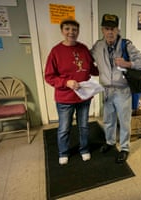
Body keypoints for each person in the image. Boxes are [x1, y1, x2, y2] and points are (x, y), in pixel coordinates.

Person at [90, 14, 141, 163]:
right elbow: (87, 60)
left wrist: (128, 64)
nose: (110, 32)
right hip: (106, 90)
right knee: (108, 120)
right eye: (107, 28)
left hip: (123, 91)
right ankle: (110, 142)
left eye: (113, 29)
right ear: (102, 30)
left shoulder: (126, 45)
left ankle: (124, 148)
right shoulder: (98, 46)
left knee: (124, 121)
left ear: (118, 29)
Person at [45, 19, 99, 165]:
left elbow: (91, 69)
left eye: (74, 29)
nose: (71, 32)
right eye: (67, 29)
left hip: (84, 97)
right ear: (62, 31)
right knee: (64, 128)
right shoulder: (56, 51)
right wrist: (66, 82)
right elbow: (49, 77)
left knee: (84, 126)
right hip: (65, 99)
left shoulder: (83, 49)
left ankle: (84, 149)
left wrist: (106, 68)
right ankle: (63, 152)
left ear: (78, 31)